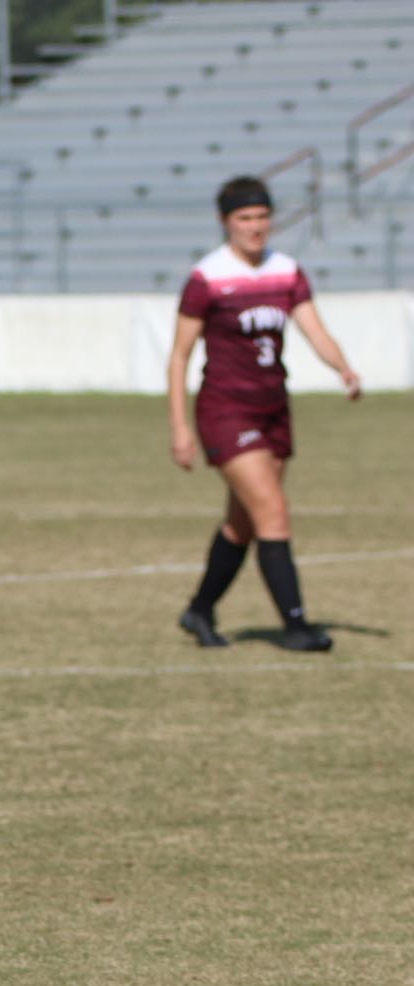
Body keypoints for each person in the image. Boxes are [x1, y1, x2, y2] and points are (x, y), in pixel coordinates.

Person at [169, 175, 362, 652]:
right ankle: (296, 626)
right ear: (225, 222)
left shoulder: (288, 271)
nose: (255, 227)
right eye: (244, 218)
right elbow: (179, 355)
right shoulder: (207, 277)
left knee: (244, 522)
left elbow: (315, 330)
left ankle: (199, 610)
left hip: (274, 407)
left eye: (262, 217)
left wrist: (343, 367)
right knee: (273, 511)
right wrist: (179, 426)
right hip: (226, 410)